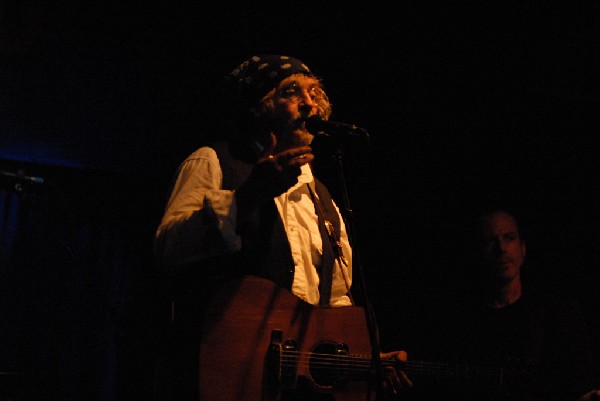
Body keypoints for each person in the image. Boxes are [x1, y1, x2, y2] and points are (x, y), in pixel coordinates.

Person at [153, 54, 411, 401]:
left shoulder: (321, 196)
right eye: (292, 92)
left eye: (315, 93)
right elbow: (167, 249)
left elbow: (333, 300)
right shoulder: (214, 161)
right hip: (232, 379)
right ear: (257, 107)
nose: (310, 104)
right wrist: (248, 197)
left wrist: (364, 363)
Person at [394, 204, 599, 401]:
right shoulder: (455, 323)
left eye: (509, 238)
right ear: (475, 252)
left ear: (523, 248)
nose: (501, 248)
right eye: (489, 241)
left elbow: (579, 386)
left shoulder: (559, 314)